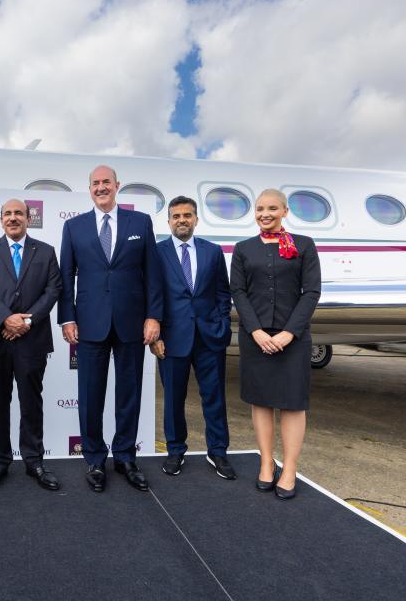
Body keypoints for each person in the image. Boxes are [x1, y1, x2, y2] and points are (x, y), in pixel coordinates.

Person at [58, 165, 163, 492]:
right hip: (89, 324)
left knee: (129, 392)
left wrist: (153, 316)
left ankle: (125, 456)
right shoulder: (73, 227)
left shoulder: (140, 223)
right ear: (89, 189)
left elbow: (153, 274)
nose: (101, 187)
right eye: (95, 183)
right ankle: (93, 458)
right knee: (90, 395)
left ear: (117, 186)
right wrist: (67, 317)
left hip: (132, 322)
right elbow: (65, 277)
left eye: (106, 182)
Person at [230, 188, 321, 500]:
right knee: (261, 401)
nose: (264, 214)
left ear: (285, 211)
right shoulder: (243, 249)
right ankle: (266, 462)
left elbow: (311, 292)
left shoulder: (304, 246)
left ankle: (290, 468)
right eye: (259, 209)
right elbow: (238, 293)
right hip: (256, 338)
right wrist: (256, 332)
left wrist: (287, 333)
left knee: (293, 403)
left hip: (292, 339)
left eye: (271, 208)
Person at [0, 199, 63, 493]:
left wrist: (26, 322)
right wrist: (6, 320)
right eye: (8, 214)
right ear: (1, 220)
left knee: (31, 403)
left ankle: (34, 460)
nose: (13, 218)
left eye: (19, 214)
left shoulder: (46, 252)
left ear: (28, 218)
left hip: (32, 340)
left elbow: (53, 290)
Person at [150, 196, 235, 480]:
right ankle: (175, 450)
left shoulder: (212, 251)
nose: (182, 220)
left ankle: (218, 451)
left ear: (196, 219)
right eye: (176, 216)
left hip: (210, 338)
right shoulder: (157, 252)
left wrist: (222, 324)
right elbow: (152, 296)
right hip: (172, 339)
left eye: (187, 215)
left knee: (214, 397)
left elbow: (223, 292)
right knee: (173, 398)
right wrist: (155, 335)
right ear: (170, 221)